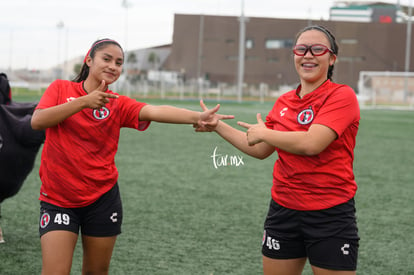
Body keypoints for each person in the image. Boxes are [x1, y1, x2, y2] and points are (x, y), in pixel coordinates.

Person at [31, 38, 233, 275]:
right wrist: (84, 102)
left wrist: (197, 117)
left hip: (102, 199)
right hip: (58, 200)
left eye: (118, 62)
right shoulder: (60, 89)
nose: (113, 66)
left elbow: (154, 111)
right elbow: (38, 121)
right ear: (88, 60)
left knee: (96, 272)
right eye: (106, 59)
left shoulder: (118, 104)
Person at [196, 25, 360, 275]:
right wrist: (218, 126)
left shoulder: (341, 96)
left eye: (318, 49)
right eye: (301, 49)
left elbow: (311, 143)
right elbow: (261, 149)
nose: (308, 55)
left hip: (330, 214)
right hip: (283, 211)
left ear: (332, 58)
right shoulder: (284, 101)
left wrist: (266, 133)